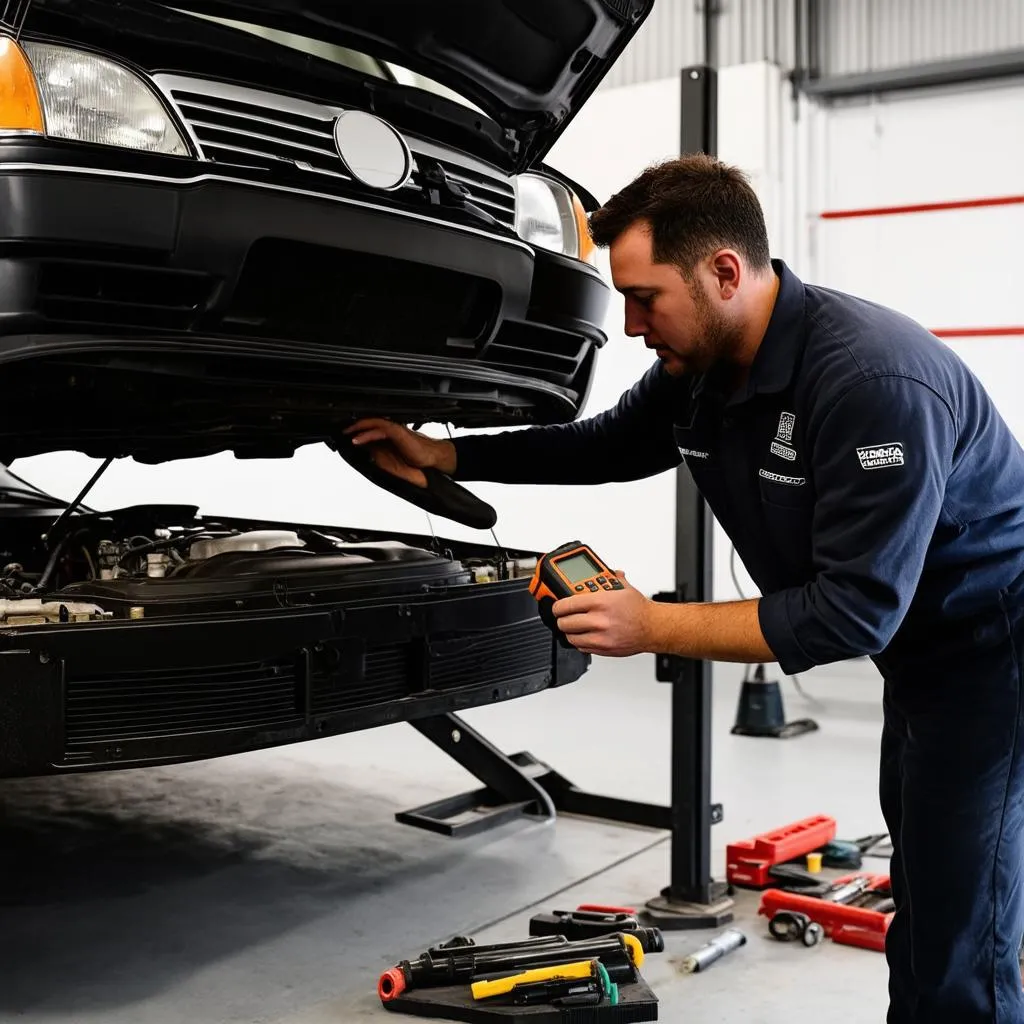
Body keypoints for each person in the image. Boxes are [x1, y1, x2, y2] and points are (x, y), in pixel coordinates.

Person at [345, 154, 1024, 1023]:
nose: (630, 324)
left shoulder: (869, 384)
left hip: (989, 649)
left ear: (724, 272)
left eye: (644, 297)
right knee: (927, 887)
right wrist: (452, 454)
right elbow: (605, 445)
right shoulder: (700, 366)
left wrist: (652, 624)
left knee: (965, 914)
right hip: (919, 652)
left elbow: (853, 612)